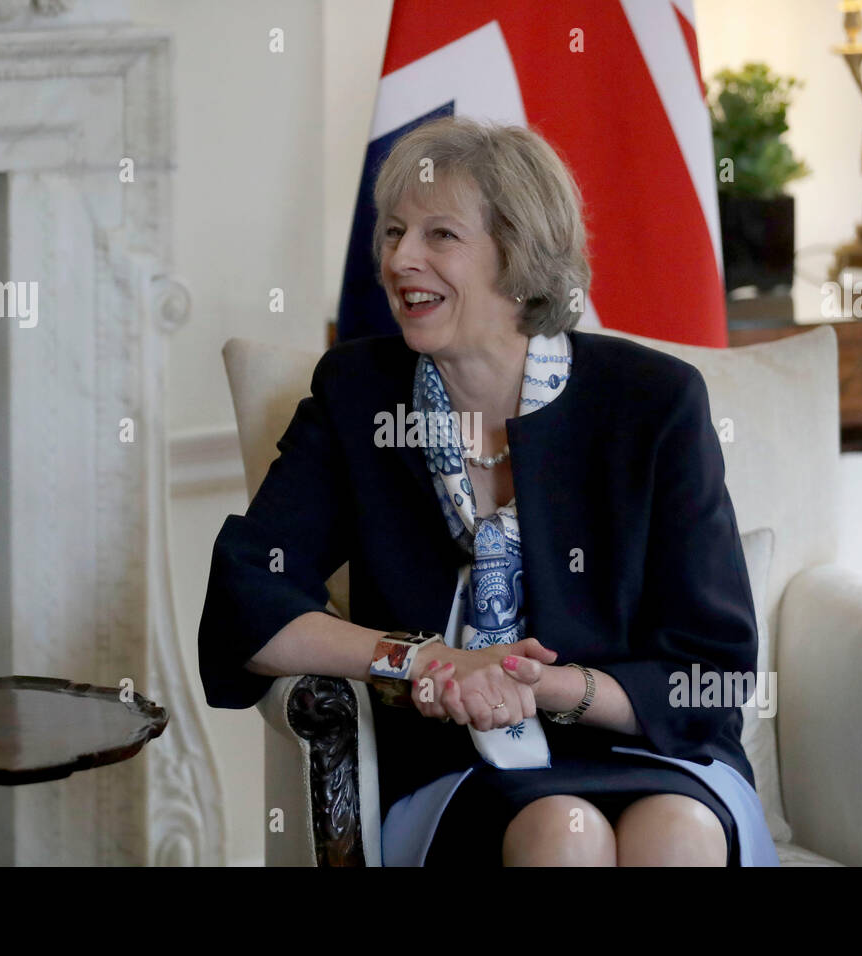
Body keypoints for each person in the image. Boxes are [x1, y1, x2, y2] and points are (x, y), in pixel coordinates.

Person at [199, 115, 779, 867]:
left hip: (654, 751)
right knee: (564, 833)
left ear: (519, 256)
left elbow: (712, 674)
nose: (401, 258)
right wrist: (423, 661)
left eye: (439, 236)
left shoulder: (652, 402)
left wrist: (539, 686)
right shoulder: (359, 394)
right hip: (460, 770)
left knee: (678, 834)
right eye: (394, 232)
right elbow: (247, 599)